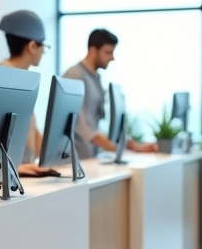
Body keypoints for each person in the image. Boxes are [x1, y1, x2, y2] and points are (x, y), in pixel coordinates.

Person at [61, 28, 158, 159]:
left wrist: (135, 147)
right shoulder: (74, 75)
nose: (112, 58)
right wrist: (116, 149)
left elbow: (102, 124)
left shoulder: (96, 78)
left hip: (90, 156)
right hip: (76, 158)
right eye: (108, 52)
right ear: (93, 51)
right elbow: (80, 125)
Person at [0, 10, 51, 175]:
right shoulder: (2, 80)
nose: (43, 52)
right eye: (43, 46)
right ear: (32, 46)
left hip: (22, 171)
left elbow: (31, 130)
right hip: (7, 175)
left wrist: (55, 158)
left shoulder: (23, 80)